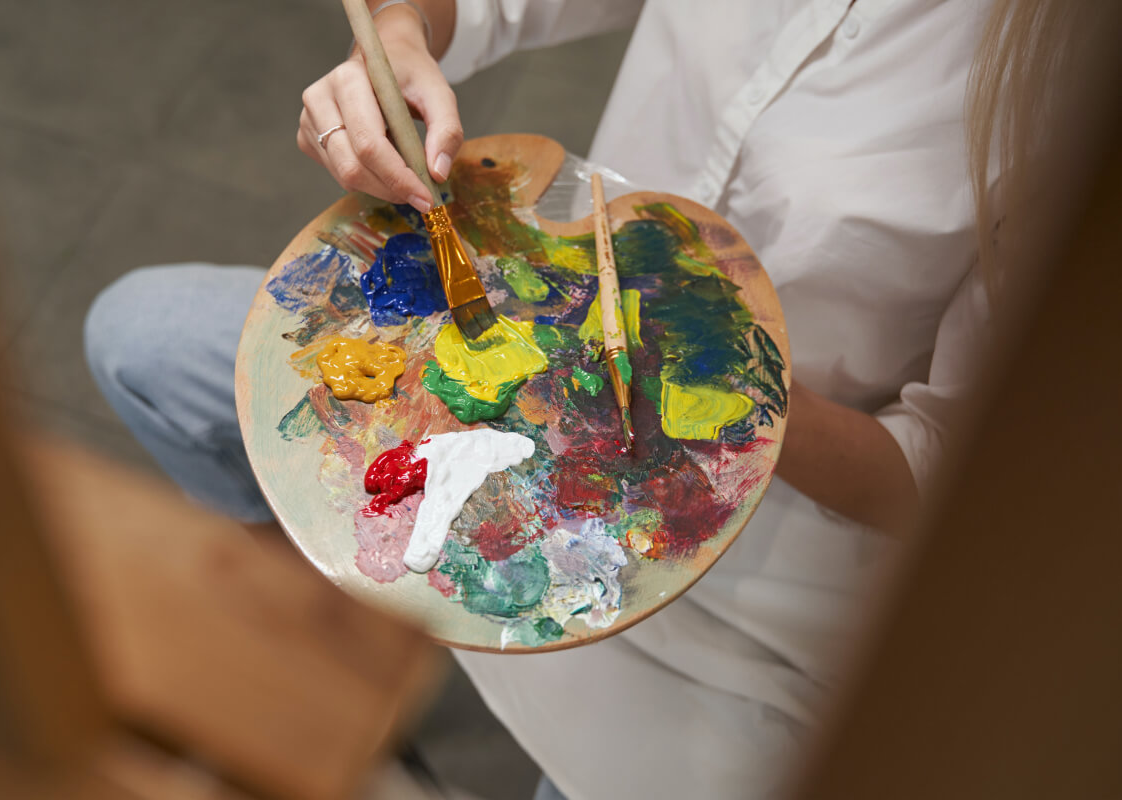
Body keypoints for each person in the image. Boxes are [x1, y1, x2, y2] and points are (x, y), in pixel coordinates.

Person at [85, 1, 1079, 796]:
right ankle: (367, 662)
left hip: (743, 554)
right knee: (143, 339)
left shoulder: (1072, 93)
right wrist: (396, 41)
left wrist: (734, 392)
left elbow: (951, 478)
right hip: (518, 350)